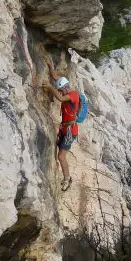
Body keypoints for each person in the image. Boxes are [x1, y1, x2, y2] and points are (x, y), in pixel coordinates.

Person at [43, 63, 81, 192]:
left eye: (60, 90)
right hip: (65, 129)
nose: (59, 92)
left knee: (61, 156)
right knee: (59, 153)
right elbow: (56, 79)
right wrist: (50, 67)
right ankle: (66, 176)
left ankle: (67, 179)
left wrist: (49, 87)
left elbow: (59, 97)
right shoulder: (64, 88)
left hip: (71, 131)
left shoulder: (73, 95)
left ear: (65, 88)